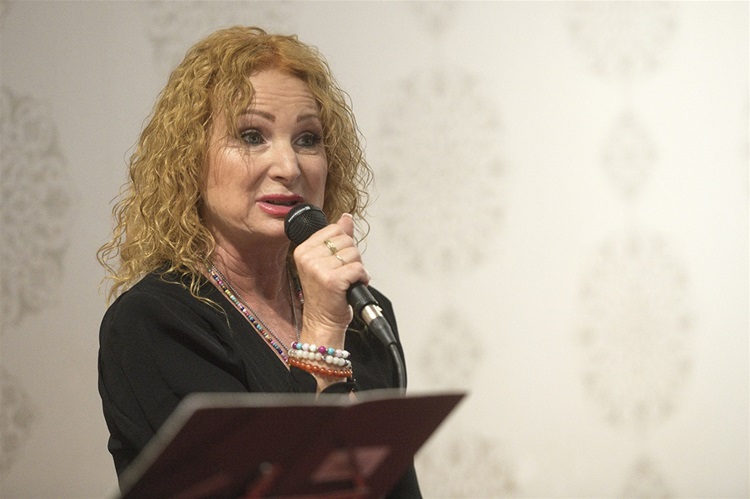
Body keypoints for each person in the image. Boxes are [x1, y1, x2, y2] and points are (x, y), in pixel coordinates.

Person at [97, 26, 420, 497]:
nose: (289, 167)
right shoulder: (152, 324)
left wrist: (333, 317)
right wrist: (322, 330)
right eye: (252, 136)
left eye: (307, 139)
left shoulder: (366, 316)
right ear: (190, 159)